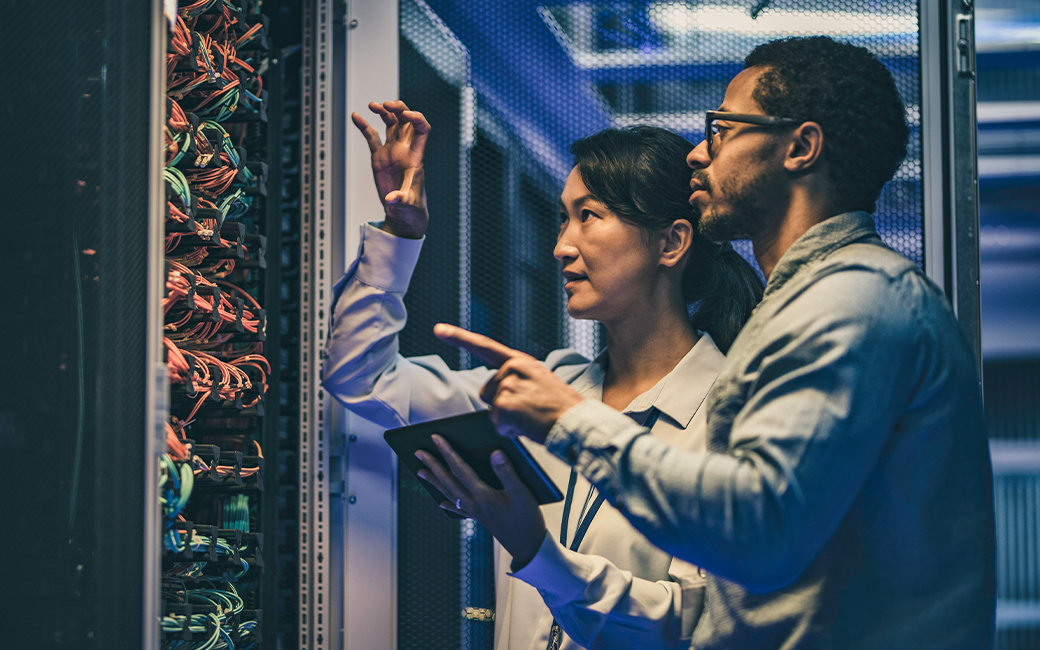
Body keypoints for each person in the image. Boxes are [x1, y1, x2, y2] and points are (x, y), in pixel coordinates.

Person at [433, 36, 997, 649]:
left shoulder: (852, 301)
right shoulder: (804, 307)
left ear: (801, 147)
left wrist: (570, 419)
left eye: (724, 130)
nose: (700, 153)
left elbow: (757, 527)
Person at [322, 100, 763, 649]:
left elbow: (691, 626)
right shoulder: (546, 390)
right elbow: (360, 377)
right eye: (562, 216)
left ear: (671, 243)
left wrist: (537, 552)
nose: (561, 246)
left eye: (590, 216)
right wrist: (399, 235)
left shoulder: (733, 416)